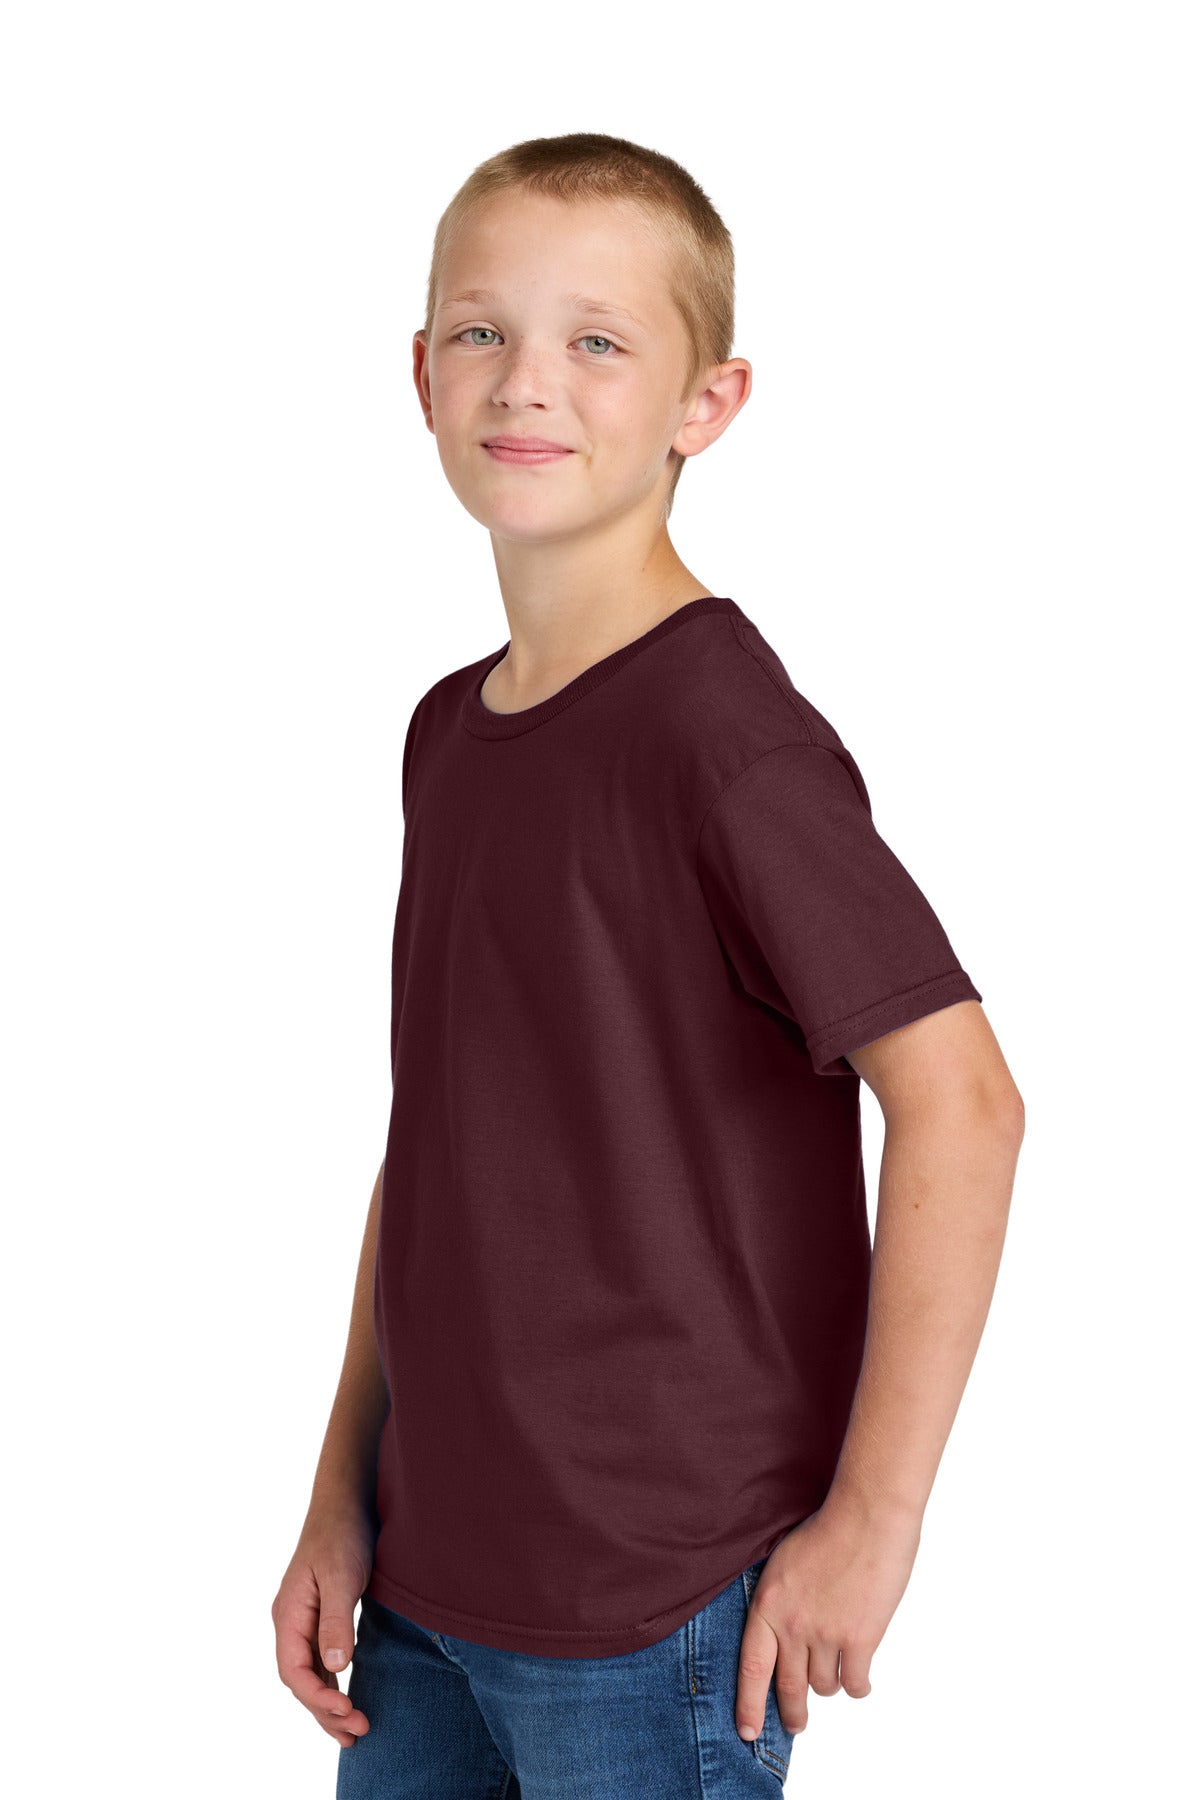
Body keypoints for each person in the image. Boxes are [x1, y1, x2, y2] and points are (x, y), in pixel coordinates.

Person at [272, 131, 1025, 1798]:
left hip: (654, 1609)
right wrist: (342, 1491)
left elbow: (967, 1102)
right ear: (419, 372)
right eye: (481, 331)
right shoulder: (448, 733)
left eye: (597, 340)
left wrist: (875, 1519)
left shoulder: (721, 739)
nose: (526, 380)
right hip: (427, 1595)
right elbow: (438, 1147)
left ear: (708, 402)